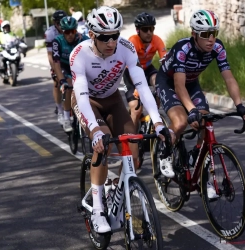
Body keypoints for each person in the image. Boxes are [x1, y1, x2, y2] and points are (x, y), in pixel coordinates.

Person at [70, 6, 174, 233]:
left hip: (113, 100)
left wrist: (157, 122)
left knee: (133, 152)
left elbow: (142, 87)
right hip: (87, 103)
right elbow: (82, 96)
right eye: (104, 37)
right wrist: (95, 131)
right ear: (92, 35)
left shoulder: (125, 48)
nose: (111, 42)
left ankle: (116, 188)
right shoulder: (79, 54)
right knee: (103, 143)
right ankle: (97, 209)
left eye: (115, 35)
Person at [155, 10, 245, 197]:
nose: (211, 39)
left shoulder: (217, 48)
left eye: (214, 33)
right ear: (194, 34)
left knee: (205, 121)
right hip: (169, 82)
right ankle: (165, 153)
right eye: (205, 34)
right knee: (182, 122)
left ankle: (197, 157)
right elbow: (178, 85)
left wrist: (239, 105)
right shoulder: (183, 49)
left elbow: (229, 78)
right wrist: (191, 110)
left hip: (191, 84)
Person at [123, 12, 167, 133]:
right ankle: (132, 137)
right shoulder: (132, 41)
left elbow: (165, 61)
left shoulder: (157, 40)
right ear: (138, 31)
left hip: (147, 69)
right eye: (145, 29)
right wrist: (138, 87)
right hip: (131, 71)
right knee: (136, 109)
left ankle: (154, 117)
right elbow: (132, 68)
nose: (149, 33)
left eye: (151, 29)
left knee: (158, 82)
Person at [52, 16, 89, 132]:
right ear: (62, 32)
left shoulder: (83, 39)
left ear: (76, 30)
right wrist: (62, 80)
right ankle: (67, 118)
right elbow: (56, 64)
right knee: (68, 86)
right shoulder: (57, 41)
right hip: (64, 67)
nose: (70, 35)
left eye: (72, 31)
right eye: (67, 32)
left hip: (79, 66)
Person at [45, 10, 67, 124]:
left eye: (62, 22)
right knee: (57, 82)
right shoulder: (50, 33)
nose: (60, 25)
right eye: (58, 23)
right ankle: (59, 109)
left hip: (68, 56)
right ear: (54, 23)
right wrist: (55, 70)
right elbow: (50, 55)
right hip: (56, 58)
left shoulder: (69, 28)